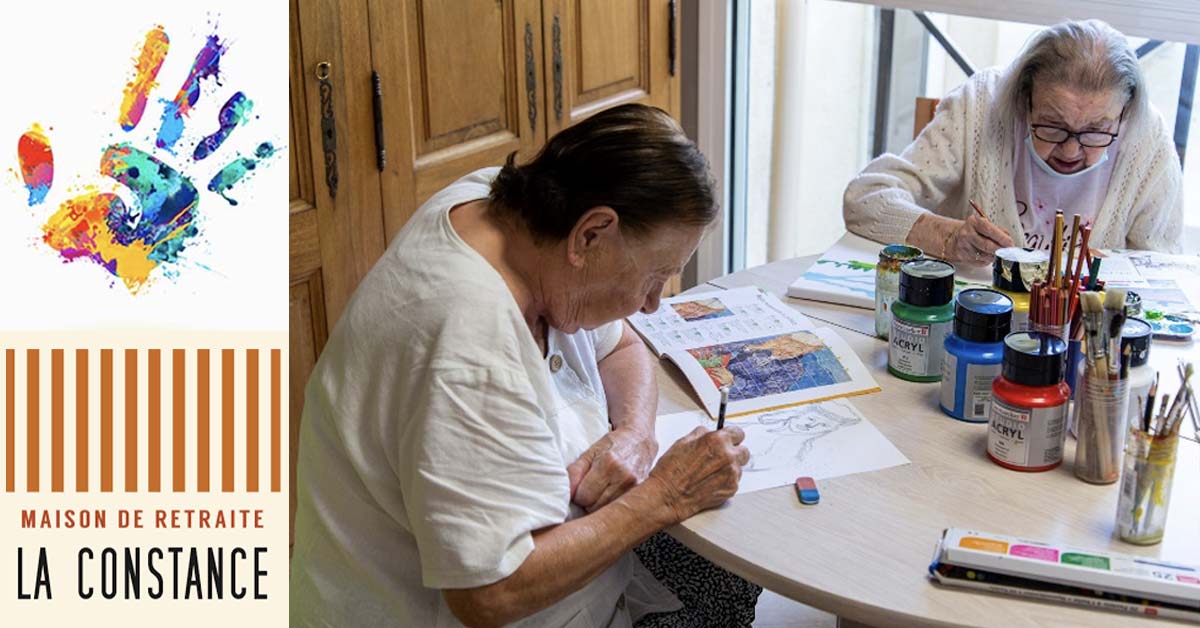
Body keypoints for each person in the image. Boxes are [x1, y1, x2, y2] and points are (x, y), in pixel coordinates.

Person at [290, 104, 761, 627]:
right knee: (723, 568)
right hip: (437, 611)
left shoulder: (511, 209)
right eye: (656, 276)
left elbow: (624, 346)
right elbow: (488, 595)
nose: (652, 305)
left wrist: (634, 432)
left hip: (581, 575)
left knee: (737, 568)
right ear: (590, 235)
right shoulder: (469, 347)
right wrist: (665, 496)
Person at [844, 19, 1184, 265]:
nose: (1070, 150)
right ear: (1024, 100)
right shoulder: (980, 105)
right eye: (1052, 125)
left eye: (1096, 131)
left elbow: (1165, 270)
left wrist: (1113, 268)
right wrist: (948, 238)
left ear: (1124, 114)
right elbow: (866, 198)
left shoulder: (1146, 137)